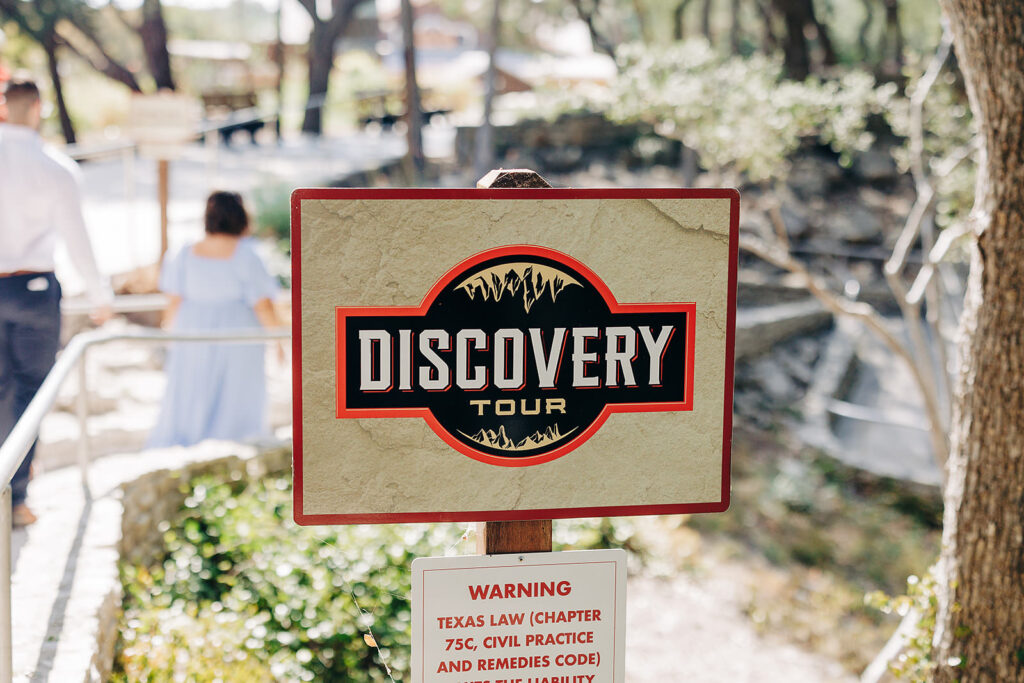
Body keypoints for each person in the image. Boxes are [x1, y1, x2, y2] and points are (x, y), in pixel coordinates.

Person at [0, 79, 112, 526]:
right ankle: (16, 500)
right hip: (34, 291)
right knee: (30, 394)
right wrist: (100, 295)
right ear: (39, 108)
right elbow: (77, 242)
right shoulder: (55, 167)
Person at [148, 191, 282, 448]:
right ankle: (235, 439)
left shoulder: (184, 252)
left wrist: (169, 333)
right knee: (237, 389)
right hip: (238, 331)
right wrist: (277, 339)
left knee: (190, 385)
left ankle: (190, 439)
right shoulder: (247, 254)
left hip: (192, 329)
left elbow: (173, 299)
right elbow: (262, 304)